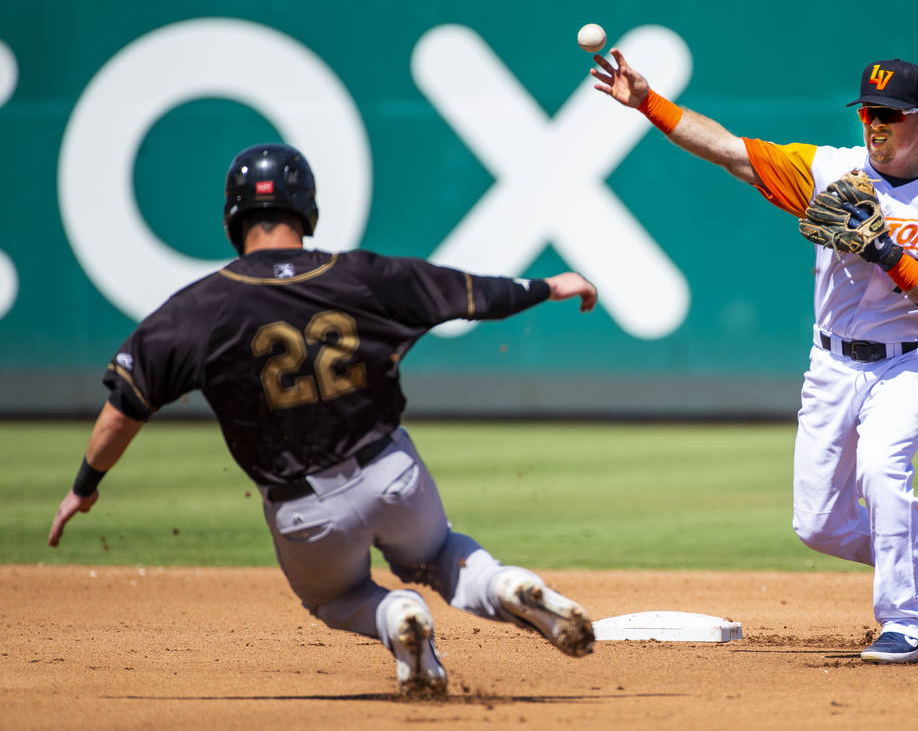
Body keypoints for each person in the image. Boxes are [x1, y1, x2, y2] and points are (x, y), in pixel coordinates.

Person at [48, 143, 598, 695]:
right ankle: (506, 584)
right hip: (392, 474)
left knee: (334, 599)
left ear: (232, 217)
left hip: (303, 511)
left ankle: (395, 616)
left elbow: (125, 408)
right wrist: (550, 287)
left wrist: (85, 486)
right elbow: (474, 295)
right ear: (306, 209)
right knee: (437, 556)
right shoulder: (360, 275)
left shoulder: (200, 308)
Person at [591, 54, 918, 663]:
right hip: (830, 363)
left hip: (910, 361)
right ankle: (912, 537)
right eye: (868, 114)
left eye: (889, 115)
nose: (875, 126)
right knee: (817, 525)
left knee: (882, 471)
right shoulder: (831, 171)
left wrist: (887, 252)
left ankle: (907, 623)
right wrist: (648, 102)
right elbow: (731, 152)